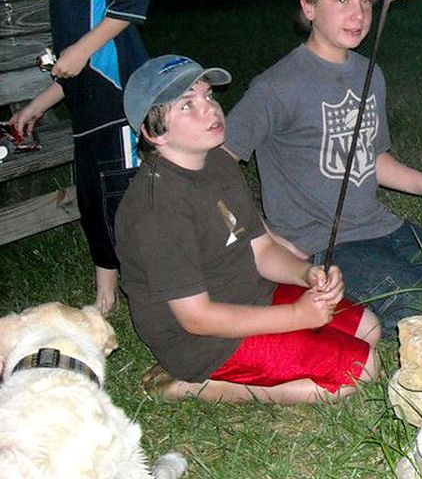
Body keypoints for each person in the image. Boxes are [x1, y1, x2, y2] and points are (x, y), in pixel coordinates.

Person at [222, 0, 422, 335]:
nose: (358, 16)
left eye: (366, 2)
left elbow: (370, 156)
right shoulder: (276, 87)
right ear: (309, 7)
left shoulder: (369, 73)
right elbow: (216, 165)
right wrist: (265, 238)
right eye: (341, 1)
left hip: (381, 226)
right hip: (319, 245)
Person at [115, 55, 380, 403]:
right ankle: (199, 386)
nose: (209, 110)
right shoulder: (156, 209)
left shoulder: (219, 162)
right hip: (203, 341)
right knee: (360, 371)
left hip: (251, 294)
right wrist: (295, 316)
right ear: (152, 133)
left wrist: (307, 274)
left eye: (209, 96)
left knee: (370, 328)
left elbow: (261, 248)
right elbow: (197, 319)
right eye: (187, 106)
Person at [2, 0, 150, 314]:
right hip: (93, 111)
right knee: (93, 197)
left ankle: (151, 284)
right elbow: (76, 64)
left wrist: (81, 49)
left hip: (116, 106)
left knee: (120, 198)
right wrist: (35, 107)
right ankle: (105, 297)